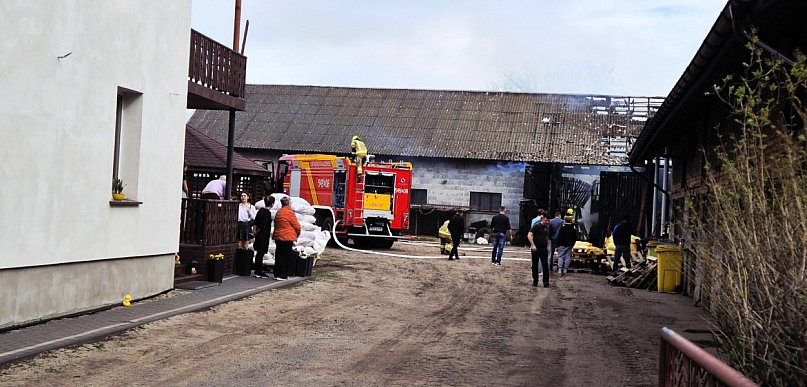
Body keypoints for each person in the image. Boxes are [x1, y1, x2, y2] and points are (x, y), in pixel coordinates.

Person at [273, 196, 301, 280]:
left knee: (278, 256)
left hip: (278, 236)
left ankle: (277, 274)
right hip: (287, 237)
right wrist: (297, 234)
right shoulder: (289, 212)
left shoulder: (279, 212)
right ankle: (282, 275)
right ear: (288, 203)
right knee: (285, 257)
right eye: (291, 202)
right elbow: (296, 226)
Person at [252, 195, 275, 278]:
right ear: (272, 204)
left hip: (258, 235)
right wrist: (257, 232)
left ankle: (257, 271)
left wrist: (254, 232)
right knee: (261, 253)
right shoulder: (268, 213)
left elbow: (255, 222)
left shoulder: (260, 210)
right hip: (263, 235)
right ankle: (258, 271)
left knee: (258, 253)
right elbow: (263, 226)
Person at [527, 216, 550, 287]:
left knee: (545, 265)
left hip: (544, 248)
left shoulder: (547, 227)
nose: (547, 222)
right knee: (535, 265)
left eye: (548, 221)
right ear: (542, 219)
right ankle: (535, 281)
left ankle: (546, 282)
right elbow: (529, 235)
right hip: (536, 248)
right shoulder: (536, 226)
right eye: (546, 220)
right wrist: (533, 245)